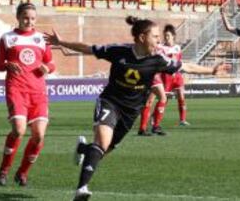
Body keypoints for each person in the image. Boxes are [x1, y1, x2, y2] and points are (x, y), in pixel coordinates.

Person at [44, 16, 230, 201]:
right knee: (102, 142)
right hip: (111, 102)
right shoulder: (119, 51)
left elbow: (186, 66)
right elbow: (88, 48)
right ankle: (81, 190)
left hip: (131, 112)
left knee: (105, 149)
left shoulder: (158, 60)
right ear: (142, 38)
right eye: (155, 36)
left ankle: (84, 149)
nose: (159, 41)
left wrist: (211, 71)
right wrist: (61, 42)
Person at [0, 2, 55, 187]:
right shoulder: (7, 38)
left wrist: (47, 68)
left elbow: (51, 64)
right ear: (18, 17)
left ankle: (22, 173)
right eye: (26, 18)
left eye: (33, 18)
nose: (29, 21)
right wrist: (6, 65)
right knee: (19, 130)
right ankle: (4, 170)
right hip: (17, 89)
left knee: (38, 136)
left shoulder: (40, 39)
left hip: (38, 92)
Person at [138, 24, 190, 137]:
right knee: (151, 100)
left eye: (168, 35)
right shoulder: (160, 47)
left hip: (172, 75)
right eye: (165, 35)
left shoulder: (177, 48)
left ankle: (155, 125)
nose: (166, 37)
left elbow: (178, 63)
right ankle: (146, 127)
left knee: (164, 98)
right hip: (158, 75)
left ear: (173, 36)